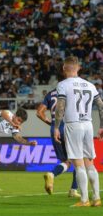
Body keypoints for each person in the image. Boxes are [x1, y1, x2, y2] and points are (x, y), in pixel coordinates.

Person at [54, 56, 103, 207]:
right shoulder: (90, 85)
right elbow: (101, 106)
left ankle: (84, 200)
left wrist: (56, 126)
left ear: (64, 68)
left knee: (78, 164)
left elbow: (60, 106)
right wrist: (102, 126)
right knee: (90, 163)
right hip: (88, 125)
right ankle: (96, 198)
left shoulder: (63, 85)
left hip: (73, 125)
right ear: (79, 68)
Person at [37, 70, 80, 198]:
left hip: (54, 129)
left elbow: (39, 112)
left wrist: (49, 123)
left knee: (67, 161)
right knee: (78, 159)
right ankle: (73, 189)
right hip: (69, 127)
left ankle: (52, 174)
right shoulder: (69, 92)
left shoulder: (50, 94)